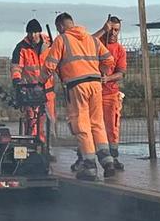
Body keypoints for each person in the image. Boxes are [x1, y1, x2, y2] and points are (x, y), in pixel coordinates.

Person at [44, 13, 118, 181]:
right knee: (97, 123)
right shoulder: (91, 39)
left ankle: (89, 165)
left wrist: (40, 82)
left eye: (58, 29)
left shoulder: (62, 40)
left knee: (82, 124)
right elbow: (109, 59)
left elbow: (50, 65)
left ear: (61, 27)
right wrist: (102, 73)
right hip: (96, 85)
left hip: (77, 86)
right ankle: (108, 162)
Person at [10, 19, 55, 141]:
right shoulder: (21, 48)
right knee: (32, 120)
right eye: (30, 33)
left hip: (48, 91)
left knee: (48, 121)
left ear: (39, 32)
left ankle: (47, 147)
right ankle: (32, 145)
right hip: (31, 92)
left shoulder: (51, 44)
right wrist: (16, 80)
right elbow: (16, 67)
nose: (33, 35)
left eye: (35, 32)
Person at [94, 15, 128, 170]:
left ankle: (113, 157)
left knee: (112, 127)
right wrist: (102, 30)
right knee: (91, 126)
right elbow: (87, 42)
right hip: (94, 93)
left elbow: (121, 73)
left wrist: (107, 79)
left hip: (110, 93)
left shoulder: (120, 50)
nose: (114, 33)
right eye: (111, 29)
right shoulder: (97, 44)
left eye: (117, 30)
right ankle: (85, 157)